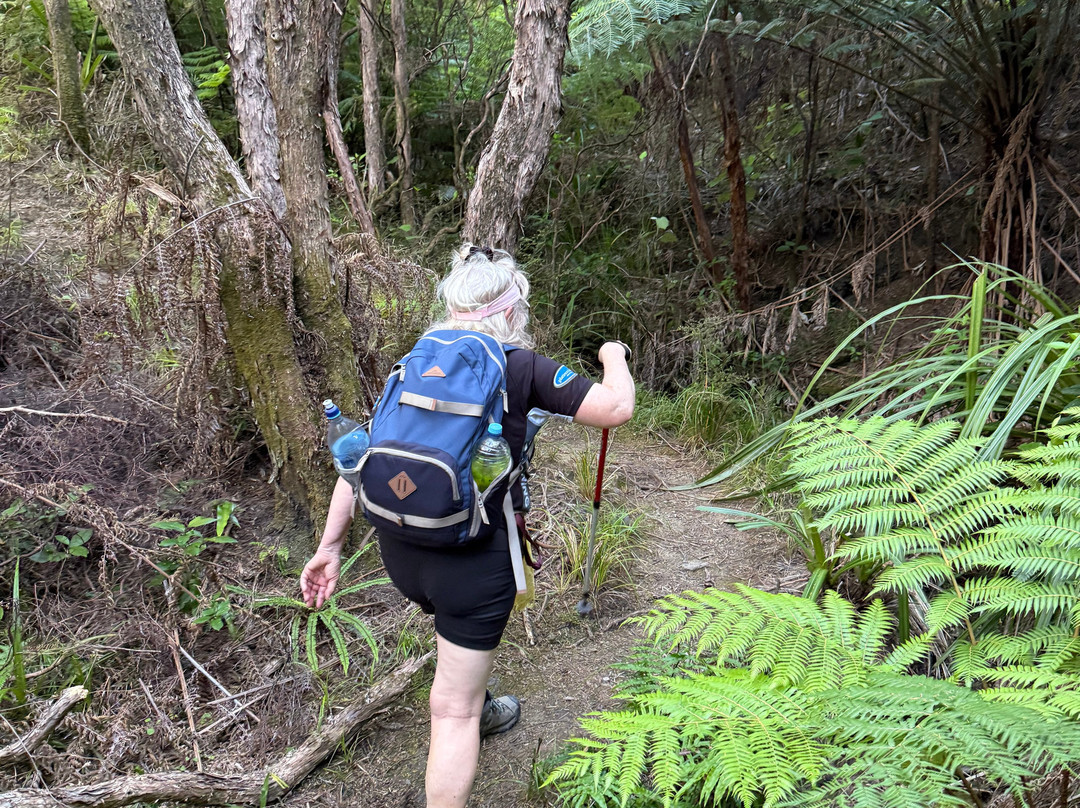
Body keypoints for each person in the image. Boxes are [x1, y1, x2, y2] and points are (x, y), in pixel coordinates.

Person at [300, 244, 635, 808]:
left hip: (402, 553)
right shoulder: (520, 365)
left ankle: (477, 693)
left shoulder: (414, 359)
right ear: (513, 310)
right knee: (451, 710)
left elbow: (361, 457)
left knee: (454, 647)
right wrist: (613, 356)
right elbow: (616, 408)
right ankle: (471, 711)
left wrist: (329, 546)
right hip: (474, 565)